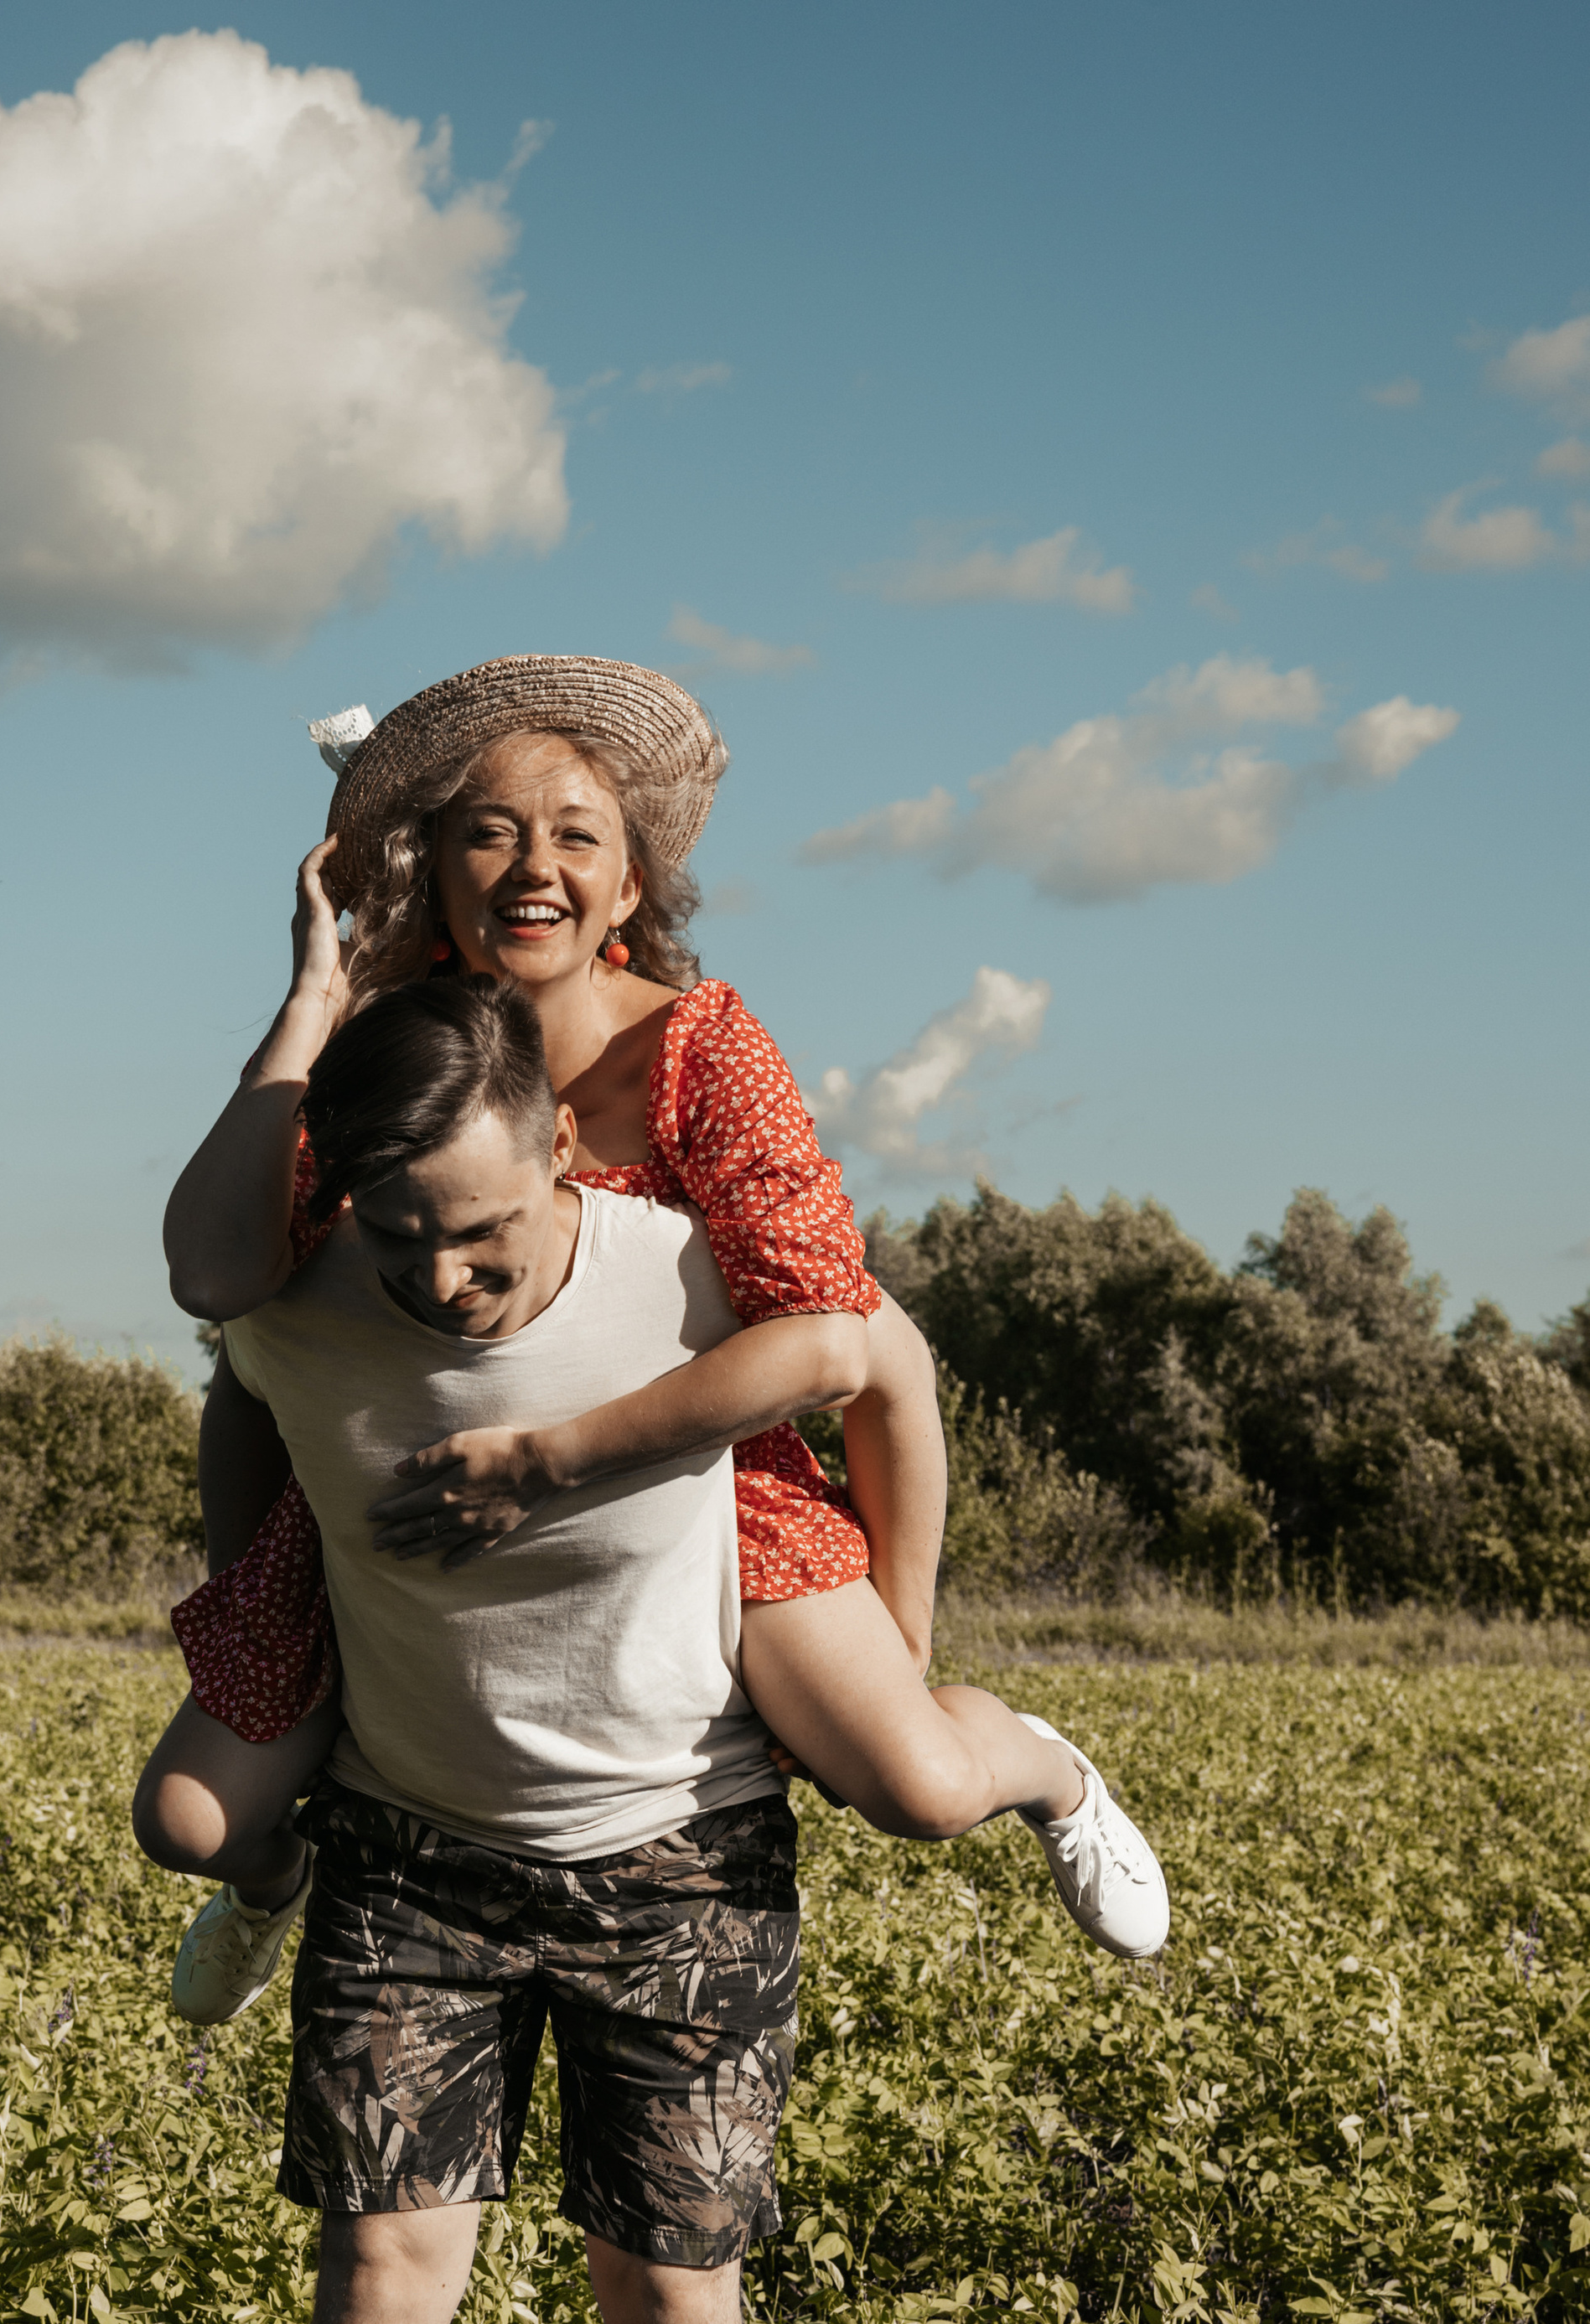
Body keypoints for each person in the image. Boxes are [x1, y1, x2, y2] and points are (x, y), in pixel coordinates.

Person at [149, 655, 1168, 2021]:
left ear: (628, 890)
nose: (534, 864)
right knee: (194, 1820)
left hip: (697, 1474)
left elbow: (850, 1345)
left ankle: (1044, 1766)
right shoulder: (393, 1053)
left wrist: (890, 1632)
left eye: (578, 834)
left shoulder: (701, 1049)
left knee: (916, 1786)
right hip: (406, 1480)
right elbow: (227, 1298)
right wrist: (317, 999)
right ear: (433, 871)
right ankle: (277, 1883)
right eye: (491, 831)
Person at [134, 972, 802, 2324]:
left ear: (562, 1148)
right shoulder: (304, 1311)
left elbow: (871, 1358)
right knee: (378, 2283)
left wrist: (891, 1631)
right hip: (411, 1862)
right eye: (398, 1231)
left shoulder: (683, 1278)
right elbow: (233, 1375)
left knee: (672, 2303)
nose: (440, 1278)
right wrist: (261, 1644)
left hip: (679, 1858)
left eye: (485, 1230)